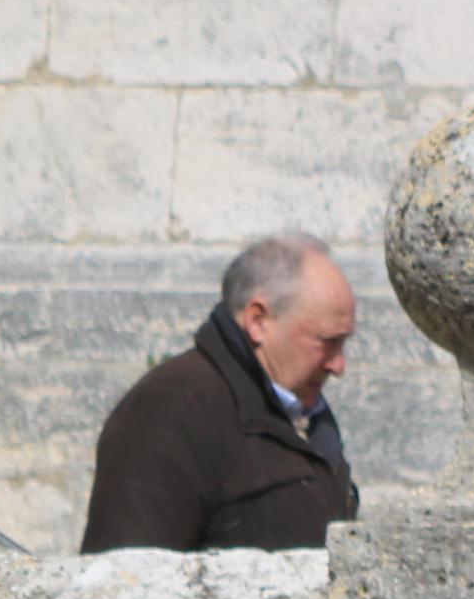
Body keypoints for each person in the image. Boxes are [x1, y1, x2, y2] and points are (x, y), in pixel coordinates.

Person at [80, 234, 361, 553]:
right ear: (258, 321)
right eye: (326, 342)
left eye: (343, 343)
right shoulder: (167, 411)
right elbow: (122, 576)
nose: (339, 365)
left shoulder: (303, 413)